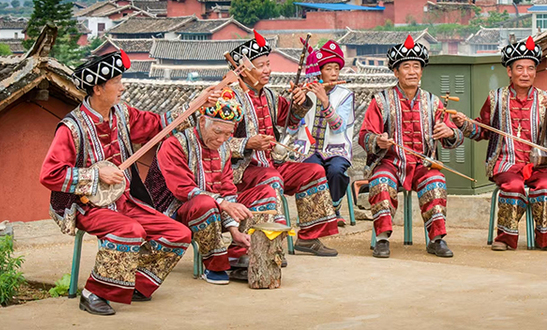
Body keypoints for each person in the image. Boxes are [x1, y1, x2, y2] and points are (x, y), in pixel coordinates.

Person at [40, 51, 195, 315]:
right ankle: (93, 292)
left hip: (124, 201)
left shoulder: (123, 114)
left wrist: (197, 104)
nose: (123, 87)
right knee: (130, 230)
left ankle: (132, 282)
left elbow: (158, 124)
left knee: (179, 234)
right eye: (117, 82)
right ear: (98, 88)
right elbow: (50, 175)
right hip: (88, 206)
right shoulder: (72, 127)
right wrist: (94, 175)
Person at [452, 36, 547, 252]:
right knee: (514, 187)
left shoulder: (546, 99)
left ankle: (543, 236)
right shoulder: (496, 98)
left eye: (530, 68)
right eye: (519, 68)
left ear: (536, 72)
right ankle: (506, 237)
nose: (525, 73)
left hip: (541, 164)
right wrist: (464, 124)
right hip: (505, 162)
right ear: (509, 71)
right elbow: (483, 130)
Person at [146, 91, 280, 284]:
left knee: (265, 192)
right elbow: (183, 189)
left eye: (228, 134)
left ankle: (241, 254)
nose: (222, 139)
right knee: (205, 203)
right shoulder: (175, 144)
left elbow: (227, 188)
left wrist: (234, 229)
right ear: (202, 122)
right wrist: (222, 203)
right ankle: (215, 265)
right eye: (217, 132)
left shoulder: (224, 148)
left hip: (215, 206)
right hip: (175, 211)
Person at [225, 31, 339, 256]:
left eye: (268, 64)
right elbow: (215, 143)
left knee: (314, 171)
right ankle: (266, 246)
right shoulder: (230, 98)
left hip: (272, 164)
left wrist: (300, 101)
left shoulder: (269, 96)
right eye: (260, 65)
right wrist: (248, 143)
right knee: (272, 177)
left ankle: (309, 238)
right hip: (242, 170)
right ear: (244, 70)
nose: (267, 70)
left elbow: (292, 119)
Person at [359, 35, 463, 259]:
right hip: (389, 162)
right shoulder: (381, 101)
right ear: (396, 72)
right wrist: (377, 141)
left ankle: (436, 240)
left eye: (417, 66)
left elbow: (453, 136)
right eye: (406, 67)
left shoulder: (433, 102)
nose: (412, 72)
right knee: (381, 182)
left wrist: (450, 132)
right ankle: (382, 239)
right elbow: (364, 135)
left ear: (422, 71)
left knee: (436, 181)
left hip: (422, 164)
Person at [290, 40, 355, 226]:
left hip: (337, 149)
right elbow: (292, 127)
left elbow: (338, 127)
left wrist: (325, 101)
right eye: (328, 69)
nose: (334, 73)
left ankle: (333, 207)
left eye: (336, 68)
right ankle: (310, 213)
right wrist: (296, 103)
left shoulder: (345, 95)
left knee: (335, 171)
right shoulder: (307, 92)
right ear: (320, 71)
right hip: (308, 148)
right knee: (311, 170)